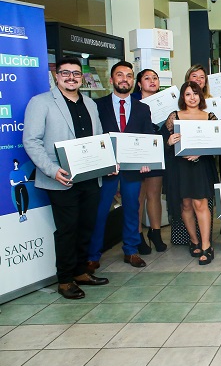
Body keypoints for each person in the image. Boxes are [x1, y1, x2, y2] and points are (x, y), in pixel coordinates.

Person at [23, 57, 109, 299]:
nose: (71, 77)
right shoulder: (41, 103)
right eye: (65, 73)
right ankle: (64, 280)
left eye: (76, 74)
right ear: (56, 76)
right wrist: (52, 170)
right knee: (67, 230)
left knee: (86, 226)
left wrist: (107, 163)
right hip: (61, 179)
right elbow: (31, 140)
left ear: (82, 77)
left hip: (91, 177)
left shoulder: (90, 104)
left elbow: (99, 138)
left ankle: (81, 271)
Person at [88, 60, 153, 270]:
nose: (124, 79)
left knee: (132, 209)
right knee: (99, 211)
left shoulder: (143, 109)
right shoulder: (97, 106)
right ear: (111, 79)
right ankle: (93, 255)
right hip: (106, 169)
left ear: (133, 81)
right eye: (120, 75)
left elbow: (148, 137)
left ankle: (131, 250)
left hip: (132, 168)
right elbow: (93, 137)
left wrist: (146, 161)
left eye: (128, 76)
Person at [165, 81, 219, 265]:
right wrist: (169, 141)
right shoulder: (175, 117)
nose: (192, 97)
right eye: (188, 94)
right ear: (183, 97)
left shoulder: (210, 117)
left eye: (195, 93)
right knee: (186, 205)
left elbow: (218, 144)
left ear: (201, 96)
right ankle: (194, 240)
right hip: (180, 167)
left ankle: (206, 245)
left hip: (200, 166)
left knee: (201, 204)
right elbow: (164, 142)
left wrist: (200, 151)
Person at [134, 68, 168, 254]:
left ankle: (155, 233)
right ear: (139, 83)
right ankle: (138, 234)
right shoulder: (132, 102)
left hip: (157, 151)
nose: (152, 81)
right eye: (147, 78)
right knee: (139, 196)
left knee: (155, 194)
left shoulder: (166, 102)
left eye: (155, 78)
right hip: (138, 153)